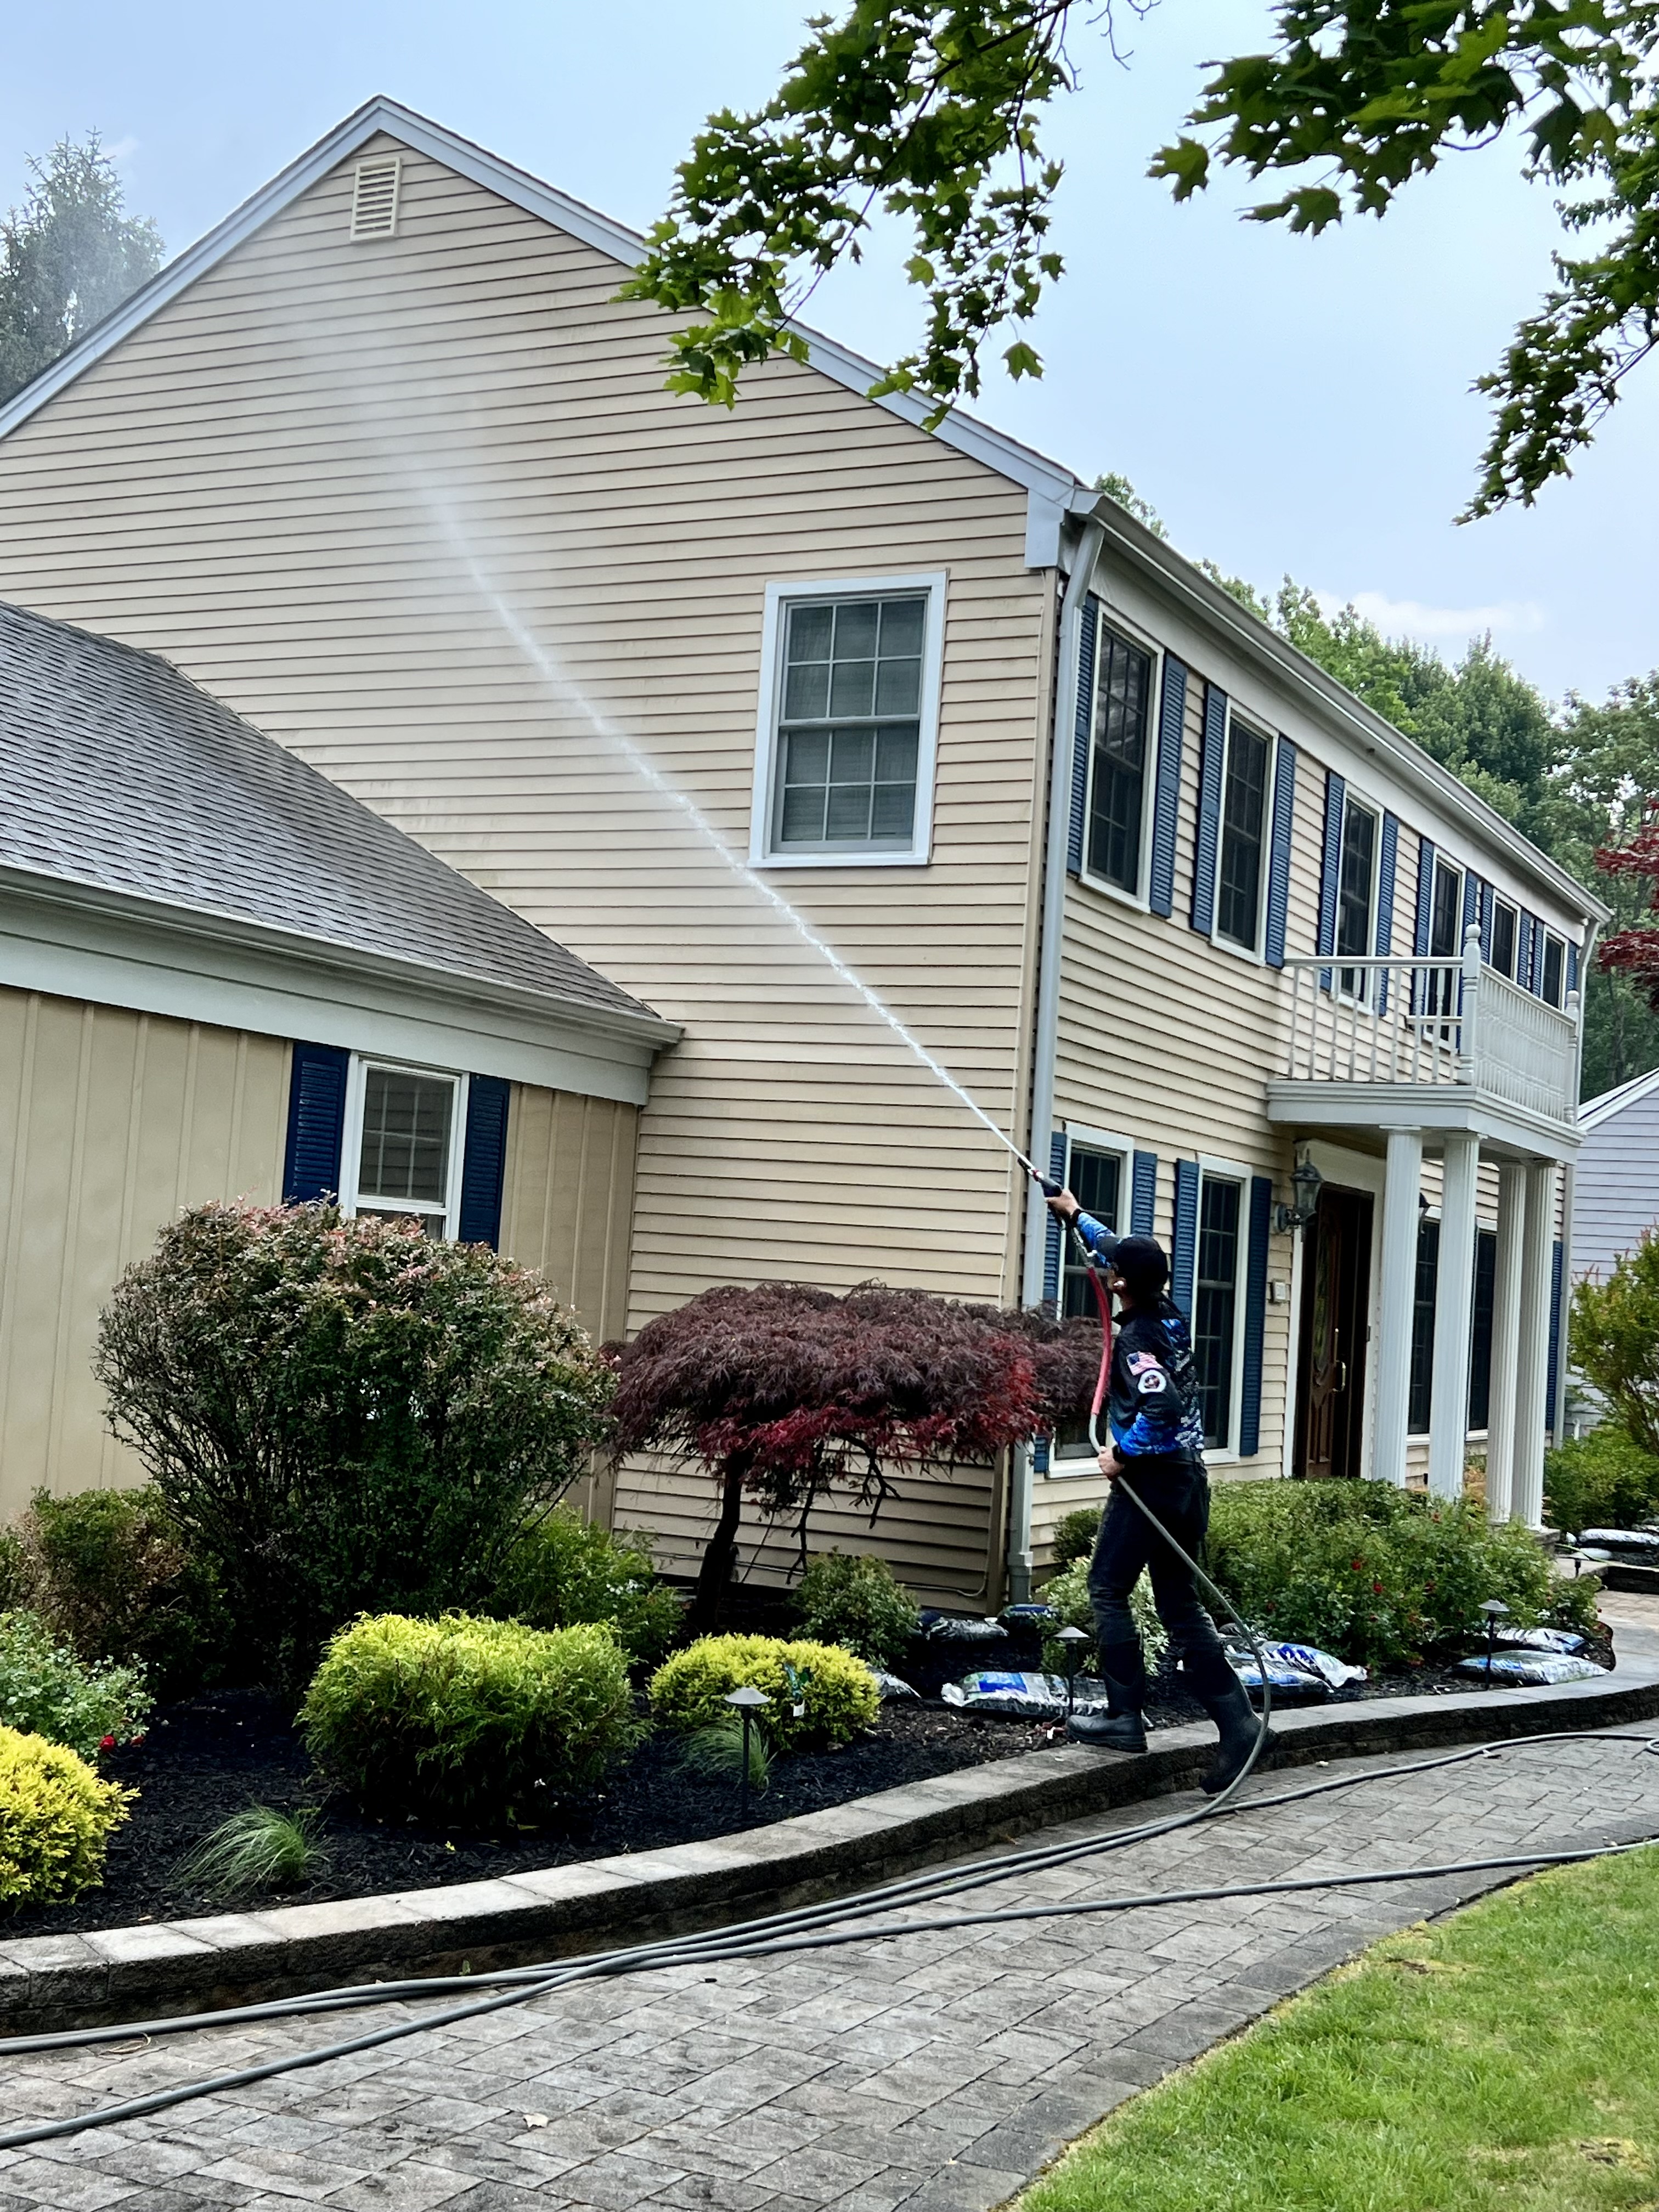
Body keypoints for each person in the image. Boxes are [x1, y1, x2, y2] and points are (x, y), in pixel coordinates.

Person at [1045, 1187, 1274, 1794]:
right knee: (1178, 1608)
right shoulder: (1167, 1310)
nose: (1108, 1269)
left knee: (1107, 1588)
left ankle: (1125, 1718)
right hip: (1190, 1482)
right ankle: (1239, 1724)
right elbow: (1115, 1249)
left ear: (1121, 1285)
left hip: (1151, 1483)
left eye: (1113, 1271)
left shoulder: (1138, 1339)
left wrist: (1121, 1453)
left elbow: (1163, 1404)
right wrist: (1075, 1213)